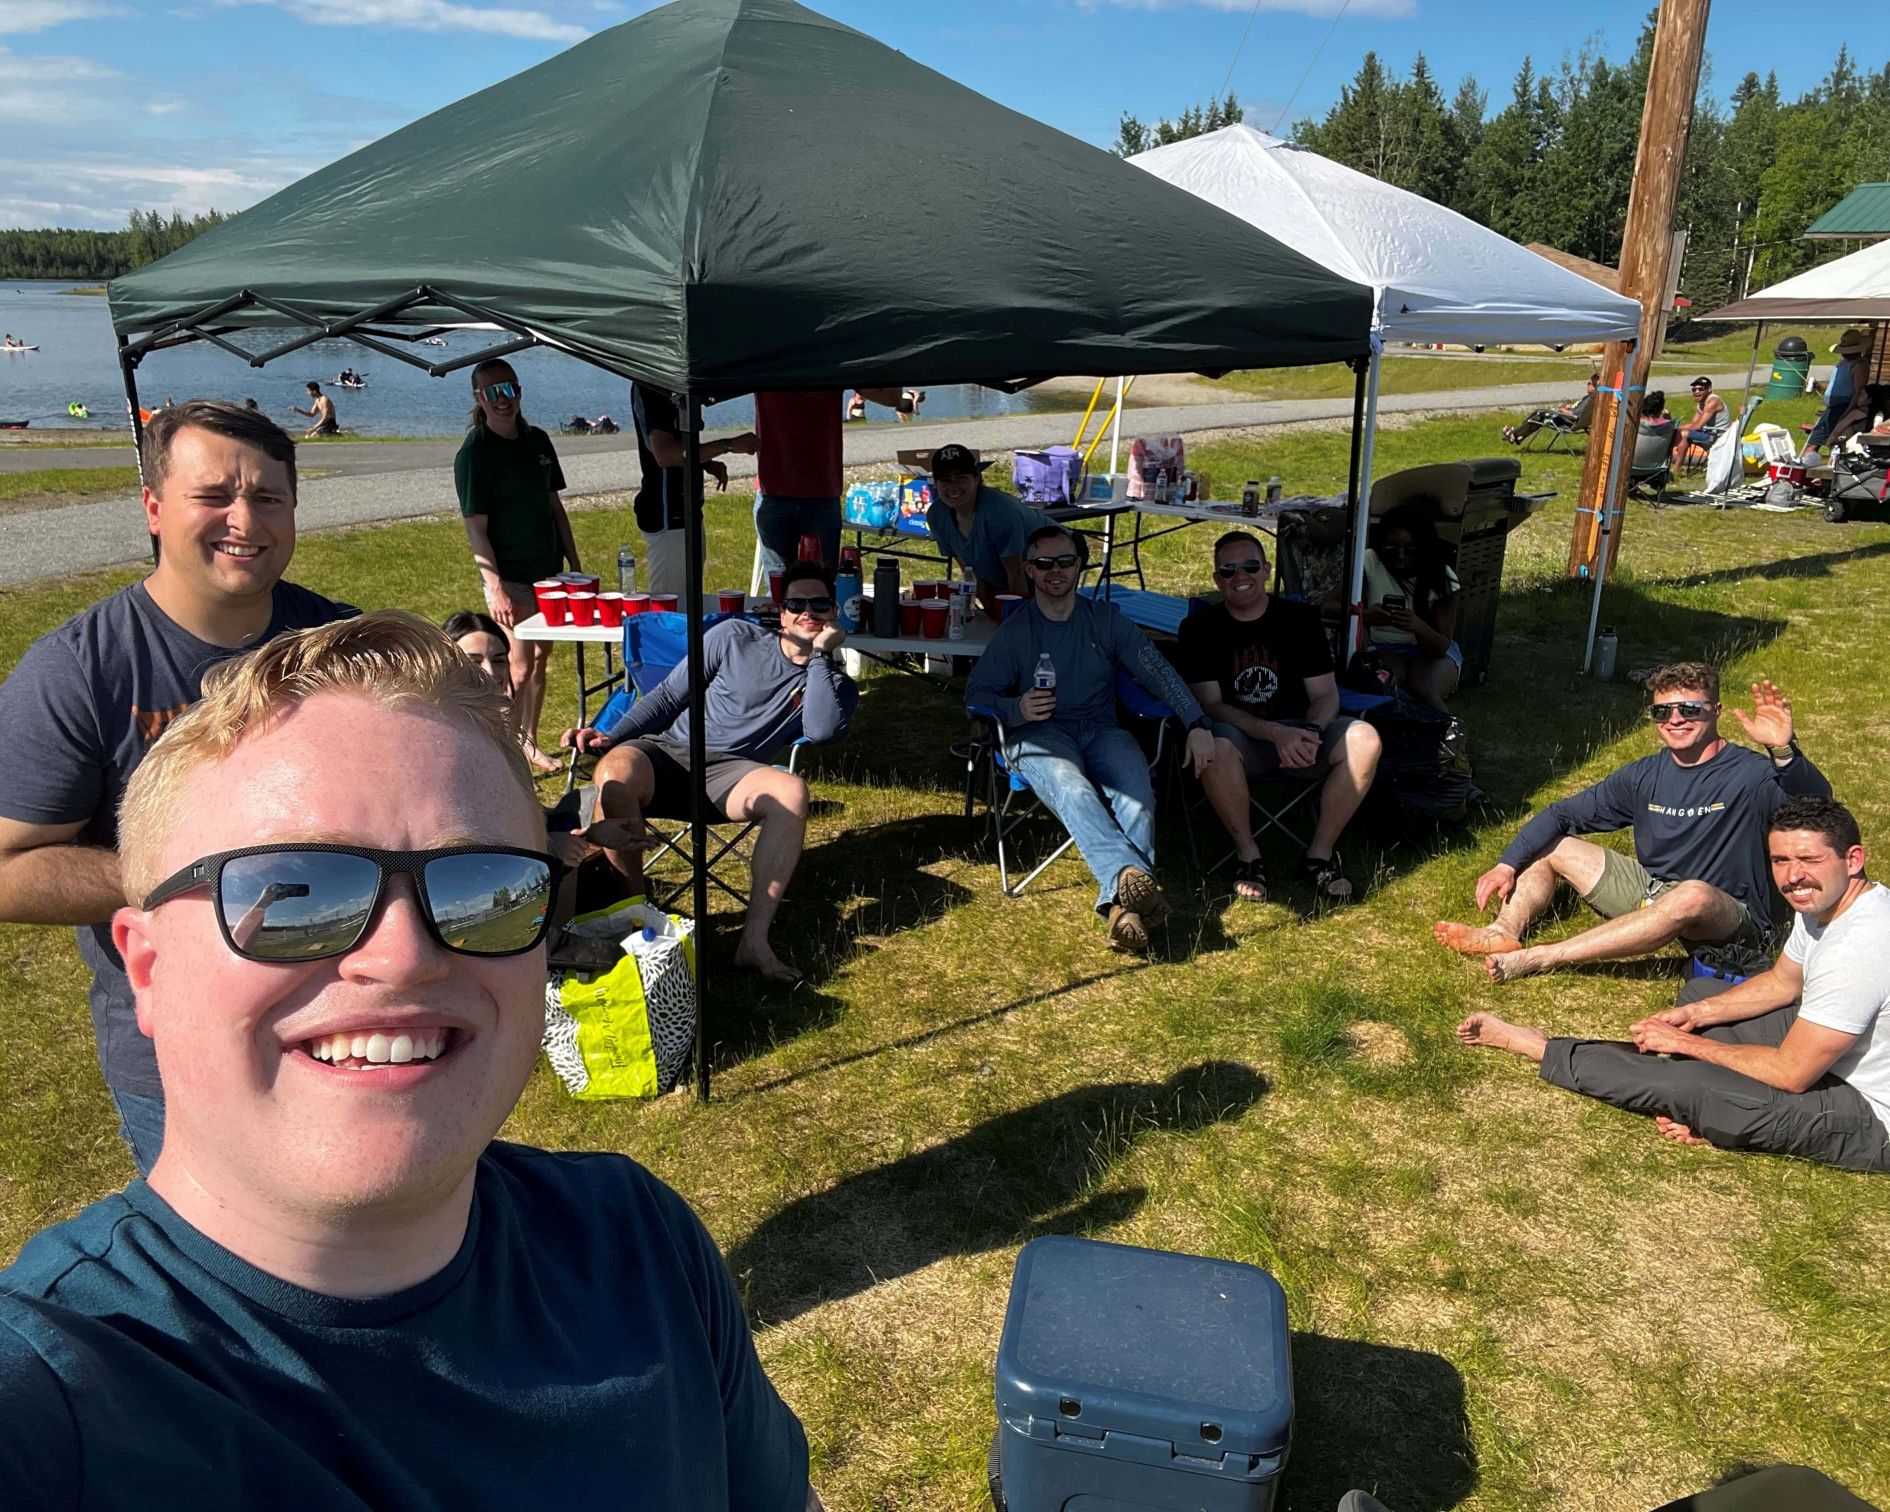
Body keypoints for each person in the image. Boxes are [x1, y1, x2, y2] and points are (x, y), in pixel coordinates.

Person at [0, 613, 818, 1507]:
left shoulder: (639, 1244)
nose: (404, 957)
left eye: (484, 889)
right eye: (293, 892)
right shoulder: (60, 1396)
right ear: (146, 966)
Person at [0, 400, 355, 1173]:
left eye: (267, 498)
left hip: (348, 1017)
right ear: (155, 508)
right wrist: (202, 881)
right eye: (214, 496)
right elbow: (7, 869)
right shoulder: (81, 670)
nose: (245, 520)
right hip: (179, 1054)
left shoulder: (343, 650)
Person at [1459, 797, 1890, 1173]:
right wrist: (1693, 1015)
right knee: (1706, 996)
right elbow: (1781, 982)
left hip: (1872, 1115)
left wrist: (1687, 1045)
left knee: (1691, 1086)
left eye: (1809, 861)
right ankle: (1722, 1109)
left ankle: (1543, 1047)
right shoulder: (1823, 905)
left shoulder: (1859, 946)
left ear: (1852, 860)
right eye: (1780, 861)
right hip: (1834, 1056)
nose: (1792, 877)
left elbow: (1791, 1073)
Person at [1434, 663, 1830, 984]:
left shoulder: (1752, 775)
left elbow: (1816, 808)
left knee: (1692, 895)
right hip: (1652, 889)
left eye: (1689, 709)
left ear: (1716, 711)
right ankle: (1504, 931)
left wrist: (1783, 751)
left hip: (1730, 913)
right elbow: (1562, 814)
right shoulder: (1644, 775)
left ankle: (1543, 957)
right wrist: (1507, 863)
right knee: (1552, 841)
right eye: (1663, 711)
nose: (1675, 720)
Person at [561, 562, 857, 983]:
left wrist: (820, 657)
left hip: (734, 775)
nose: (808, 611)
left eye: (820, 603)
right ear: (781, 609)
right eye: (797, 603)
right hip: (668, 754)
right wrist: (613, 736)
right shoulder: (734, 637)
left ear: (834, 611)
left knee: (792, 791)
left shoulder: (834, 684)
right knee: (615, 773)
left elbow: (823, 730)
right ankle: (638, 925)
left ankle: (753, 942)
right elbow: (666, 697)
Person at [965, 525, 1218, 952]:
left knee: (1137, 792)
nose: (1055, 571)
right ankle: (1133, 885)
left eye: (1065, 561)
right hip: (1038, 736)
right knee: (1072, 788)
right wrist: (1017, 708)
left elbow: (1157, 672)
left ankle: (1120, 907)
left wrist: (1197, 723)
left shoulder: (1104, 620)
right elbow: (975, 696)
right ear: (1028, 569)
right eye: (1044, 564)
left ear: (1079, 564)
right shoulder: (1016, 633)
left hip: (1100, 730)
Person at [1178, 532, 1382, 906]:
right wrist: (1275, 734)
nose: (1241, 575)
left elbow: (1325, 696)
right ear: (1216, 579)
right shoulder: (1199, 629)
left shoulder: (1300, 619)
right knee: (1214, 746)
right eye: (1228, 569)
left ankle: (1318, 856)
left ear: (1267, 570)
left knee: (1365, 739)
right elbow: (1213, 707)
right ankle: (1248, 856)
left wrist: (1310, 734)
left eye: (1251, 566)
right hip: (1242, 740)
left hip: (1302, 739)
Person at [455, 358, 581, 775]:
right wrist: (495, 586)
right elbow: (476, 527)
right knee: (518, 666)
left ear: (520, 392)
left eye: (509, 389)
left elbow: (555, 507)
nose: (503, 400)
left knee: (542, 658)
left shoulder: (539, 441)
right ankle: (503, 751)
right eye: (492, 392)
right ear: (479, 398)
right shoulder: (475, 452)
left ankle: (528, 741)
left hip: (551, 574)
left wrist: (575, 567)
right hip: (510, 576)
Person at [751, 386, 912, 576]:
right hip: (773, 491)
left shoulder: (831, 363)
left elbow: (891, 398)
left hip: (822, 494)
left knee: (824, 581)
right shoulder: (768, 362)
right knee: (778, 584)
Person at [630, 381, 758, 596]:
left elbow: (679, 443)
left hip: (685, 512)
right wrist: (727, 445)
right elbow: (665, 455)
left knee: (689, 598)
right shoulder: (653, 386)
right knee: (672, 607)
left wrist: (705, 462)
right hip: (668, 516)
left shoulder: (669, 383)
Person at [1358, 499, 1461, 711]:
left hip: (1430, 650)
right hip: (1383, 646)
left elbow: (1441, 646)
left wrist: (1417, 625)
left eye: (1410, 549)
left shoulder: (1441, 576)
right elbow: (1328, 605)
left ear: (1423, 548)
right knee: (1389, 681)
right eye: (1392, 549)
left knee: (1423, 688)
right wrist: (1365, 614)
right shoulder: (1369, 562)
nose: (1401, 557)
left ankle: (1445, 737)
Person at [924, 442, 1041, 612]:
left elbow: (1016, 575)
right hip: (1006, 573)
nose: (953, 487)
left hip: (1054, 559)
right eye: (945, 480)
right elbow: (970, 571)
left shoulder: (999, 512)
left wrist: (1014, 623)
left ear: (976, 478)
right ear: (936, 484)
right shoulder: (936, 515)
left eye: (961, 478)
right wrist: (988, 611)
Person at [1806, 328, 1879, 463]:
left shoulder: (1859, 366)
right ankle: (1803, 469)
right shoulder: (1842, 364)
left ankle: (1828, 471)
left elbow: (1858, 391)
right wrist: (1820, 386)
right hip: (1831, 408)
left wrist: (1847, 412)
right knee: (1813, 442)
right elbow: (1837, 384)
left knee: (1835, 443)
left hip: (1843, 407)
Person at [1502, 371, 1597, 446]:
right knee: (1539, 415)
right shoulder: (1591, 399)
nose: (1587, 385)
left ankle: (1515, 434)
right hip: (1569, 421)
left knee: (1539, 414)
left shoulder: (1589, 400)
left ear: (1594, 386)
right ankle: (1516, 436)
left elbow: (1573, 415)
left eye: (1589, 383)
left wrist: (1562, 408)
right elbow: (1576, 412)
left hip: (1567, 423)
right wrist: (1569, 408)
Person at [1670, 376, 1728, 463]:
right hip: (1709, 432)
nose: (1696, 392)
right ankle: (1672, 464)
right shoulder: (1701, 403)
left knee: (1683, 434)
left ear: (1709, 389)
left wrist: (1677, 430)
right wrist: (1674, 429)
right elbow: (1693, 423)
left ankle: (1675, 467)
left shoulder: (1713, 402)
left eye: (1700, 389)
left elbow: (1697, 426)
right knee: (1678, 433)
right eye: (1694, 390)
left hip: (1718, 435)